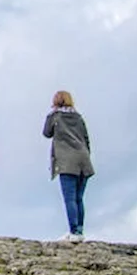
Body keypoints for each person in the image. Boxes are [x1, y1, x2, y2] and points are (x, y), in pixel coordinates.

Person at [43, 90, 94, 242]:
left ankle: (73, 232)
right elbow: (86, 138)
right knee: (79, 198)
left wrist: (51, 114)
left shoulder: (55, 117)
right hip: (83, 160)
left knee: (70, 198)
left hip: (66, 162)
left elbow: (46, 133)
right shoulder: (78, 117)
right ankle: (79, 230)